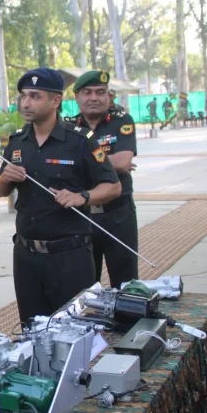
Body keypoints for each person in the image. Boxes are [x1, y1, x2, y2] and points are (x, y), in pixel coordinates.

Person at [0, 67, 122, 325]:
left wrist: (82, 196)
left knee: (75, 330)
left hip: (69, 257)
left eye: (35, 96)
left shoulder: (80, 140)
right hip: (27, 256)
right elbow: (0, 189)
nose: (26, 103)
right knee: (32, 329)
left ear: (55, 101)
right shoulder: (17, 141)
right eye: (24, 96)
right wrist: (5, 178)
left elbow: (113, 186)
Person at [70, 71, 138, 288]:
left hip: (119, 214)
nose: (94, 98)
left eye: (100, 92)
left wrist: (80, 163)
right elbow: (116, 163)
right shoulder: (68, 128)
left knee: (126, 283)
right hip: (83, 215)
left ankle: (128, 322)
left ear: (109, 97)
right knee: (85, 285)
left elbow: (124, 159)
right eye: (87, 92)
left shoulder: (122, 121)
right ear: (77, 97)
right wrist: (111, 163)